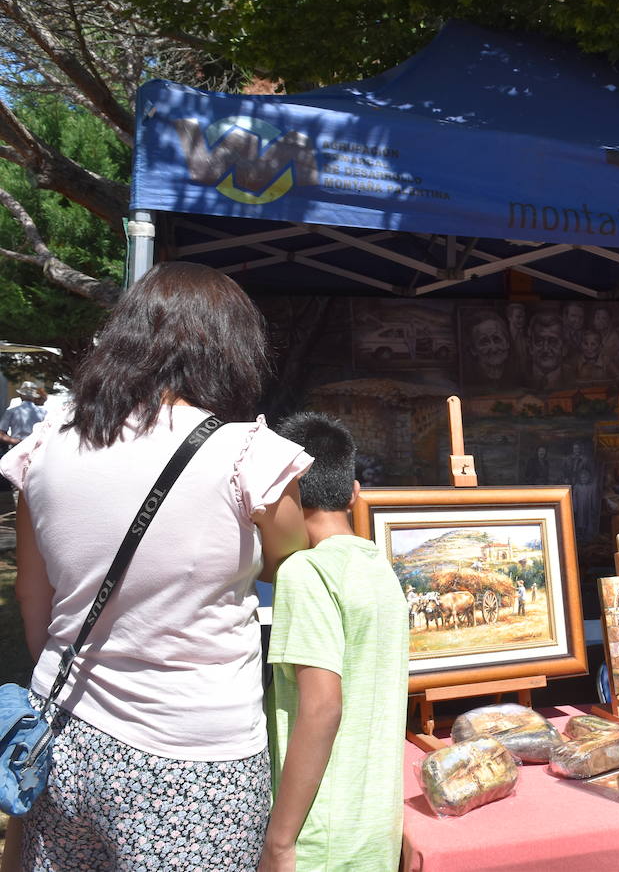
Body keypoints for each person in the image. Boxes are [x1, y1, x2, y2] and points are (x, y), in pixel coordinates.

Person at [2, 261, 310, 871]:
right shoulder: (251, 457)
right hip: (196, 756)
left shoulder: (43, 448)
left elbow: (32, 601)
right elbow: (294, 568)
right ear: (229, 348)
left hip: (60, 734)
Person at [260, 412, 409, 872]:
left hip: (317, 834)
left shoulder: (306, 573)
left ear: (281, 494)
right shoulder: (379, 567)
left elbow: (323, 706)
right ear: (354, 492)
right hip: (372, 831)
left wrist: (280, 842)